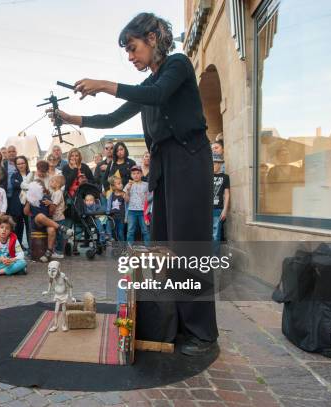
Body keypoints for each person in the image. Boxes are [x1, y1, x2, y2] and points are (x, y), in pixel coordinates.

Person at [50, 12, 218, 355]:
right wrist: (72, 118)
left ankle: (202, 332)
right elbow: (114, 117)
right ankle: (175, 324)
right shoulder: (150, 83)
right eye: (127, 51)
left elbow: (157, 96)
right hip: (165, 165)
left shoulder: (178, 65)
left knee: (189, 245)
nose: (130, 57)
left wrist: (103, 84)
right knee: (165, 248)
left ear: (153, 37)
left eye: (132, 47)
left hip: (188, 159)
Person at [25, 180, 73, 262]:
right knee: (40, 216)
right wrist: (28, 201)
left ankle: (48, 252)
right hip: (36, 223)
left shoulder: (46, 197)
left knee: (51, 230)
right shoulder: (30, 198)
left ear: (43, 189)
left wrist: (50, 204)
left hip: (47, 222)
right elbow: (26, 212)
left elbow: (51, 212)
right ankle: (61, 228)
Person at [8, 155, 29, 248]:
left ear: (26, 163)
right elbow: (14, 184)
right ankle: (18, 246)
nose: (21, 165)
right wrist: (26, 186)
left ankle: (31, 248)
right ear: (16, 165)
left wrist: (21, 185)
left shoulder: (31, 174)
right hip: (17, 204)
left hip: (29, 203)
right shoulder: (14, 175)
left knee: (29, 226)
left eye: (22, 163)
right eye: (18, 164)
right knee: (18, 227)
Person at [124, 165, 149, 243]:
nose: (136, 175)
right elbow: (126, 200)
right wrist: (127, 190)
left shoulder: (146, 185)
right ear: (131, 175)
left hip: (144, 211)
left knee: (145, 231)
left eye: (138, 173)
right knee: (130, 231)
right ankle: (129, 248)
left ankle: (148, 248)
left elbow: (149, 198)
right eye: (134, 173)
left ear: (141, 174)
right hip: (132, 211)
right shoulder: (128, 185)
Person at [212, 154, 230, 244]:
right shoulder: (206, 176)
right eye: (211, 163)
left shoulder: (225, 177)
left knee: (215, 235)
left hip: (218, 209)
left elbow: (227, 194)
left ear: (220, 164)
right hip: (205, 210)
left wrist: (225, 210)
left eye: (215, 163)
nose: (213, 165)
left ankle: (214, 257)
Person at [49, 175, 67, 256]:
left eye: (52, 182)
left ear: (58, 184)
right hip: (56, 217)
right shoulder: (55, 193)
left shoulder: (58, 193)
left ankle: (59, 252)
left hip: (59, 217)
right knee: (57, 235)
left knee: (59, 236)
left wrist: (49, 204)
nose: (50, 183)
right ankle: (56, 250)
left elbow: (54, 205)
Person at [106, 175, 126, 241]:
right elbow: (108, 205)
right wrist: (108, 214)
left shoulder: (124, 194)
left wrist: (126, 217)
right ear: (113, 186)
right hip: (112, 217)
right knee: (113, 233)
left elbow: (127, 206)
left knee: (120, 233)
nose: (121, 185)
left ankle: (122, 248)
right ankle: (116, 248)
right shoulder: (111, 195)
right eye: (118, 184)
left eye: (121, 183)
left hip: (121, 217)